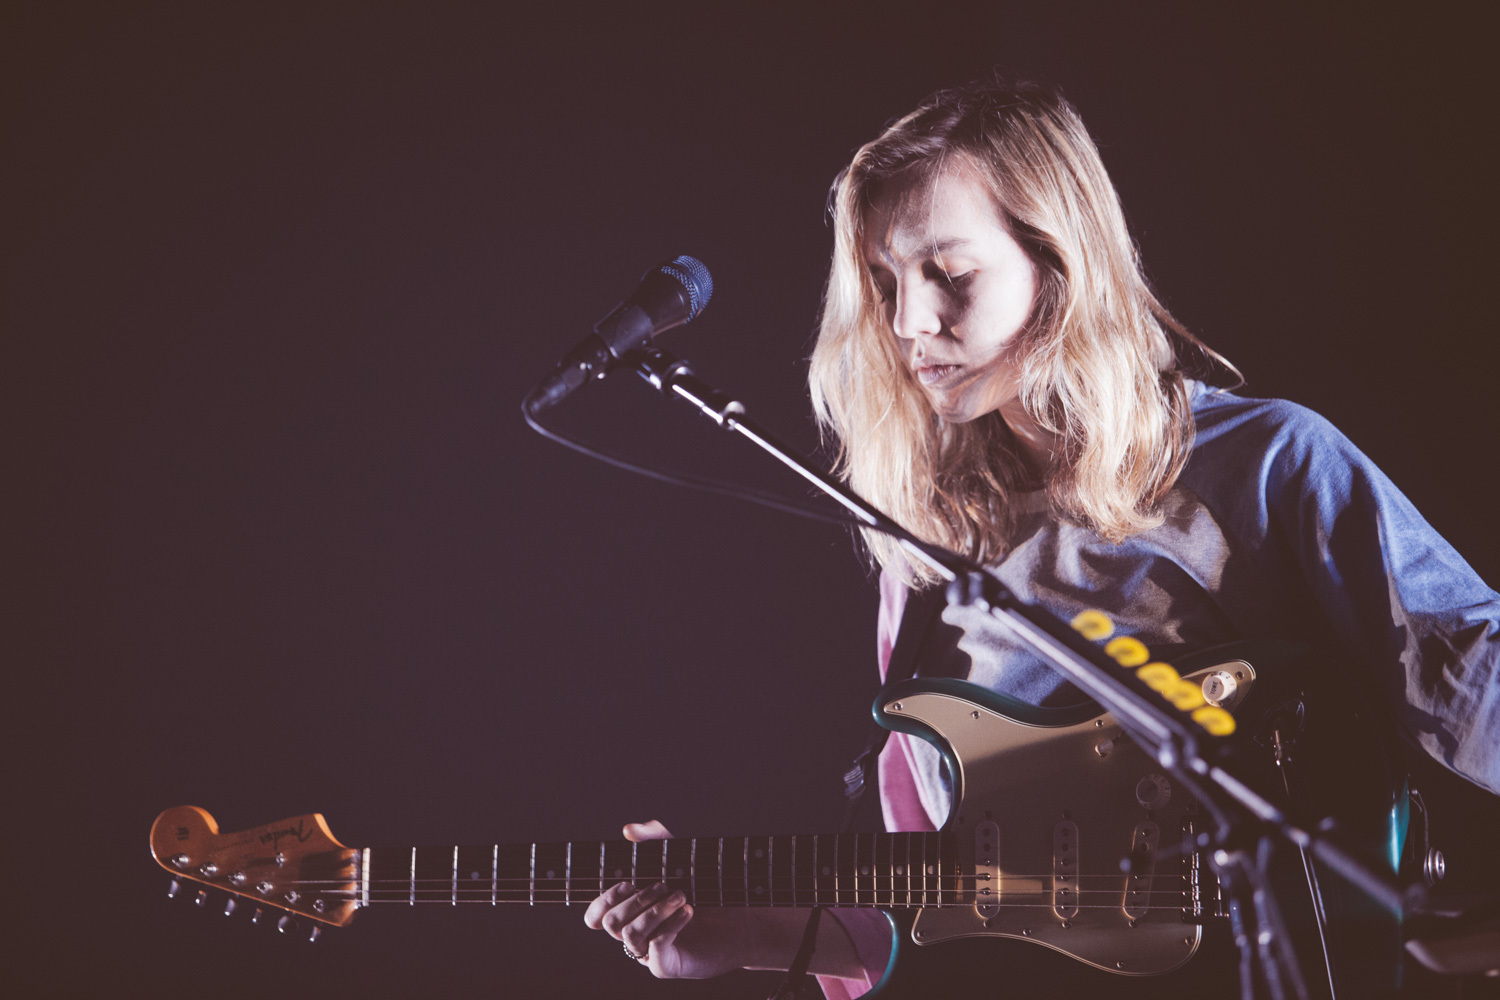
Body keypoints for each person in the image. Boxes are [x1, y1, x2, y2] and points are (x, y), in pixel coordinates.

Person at [582, 77, 1500, 997]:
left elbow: (1471, 681)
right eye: (885, 282)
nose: (910, 322)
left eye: (950, 272)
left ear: (1058, 260)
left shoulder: (1264, 462)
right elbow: (956, 910)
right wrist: (732, 935)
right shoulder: (927, 539)